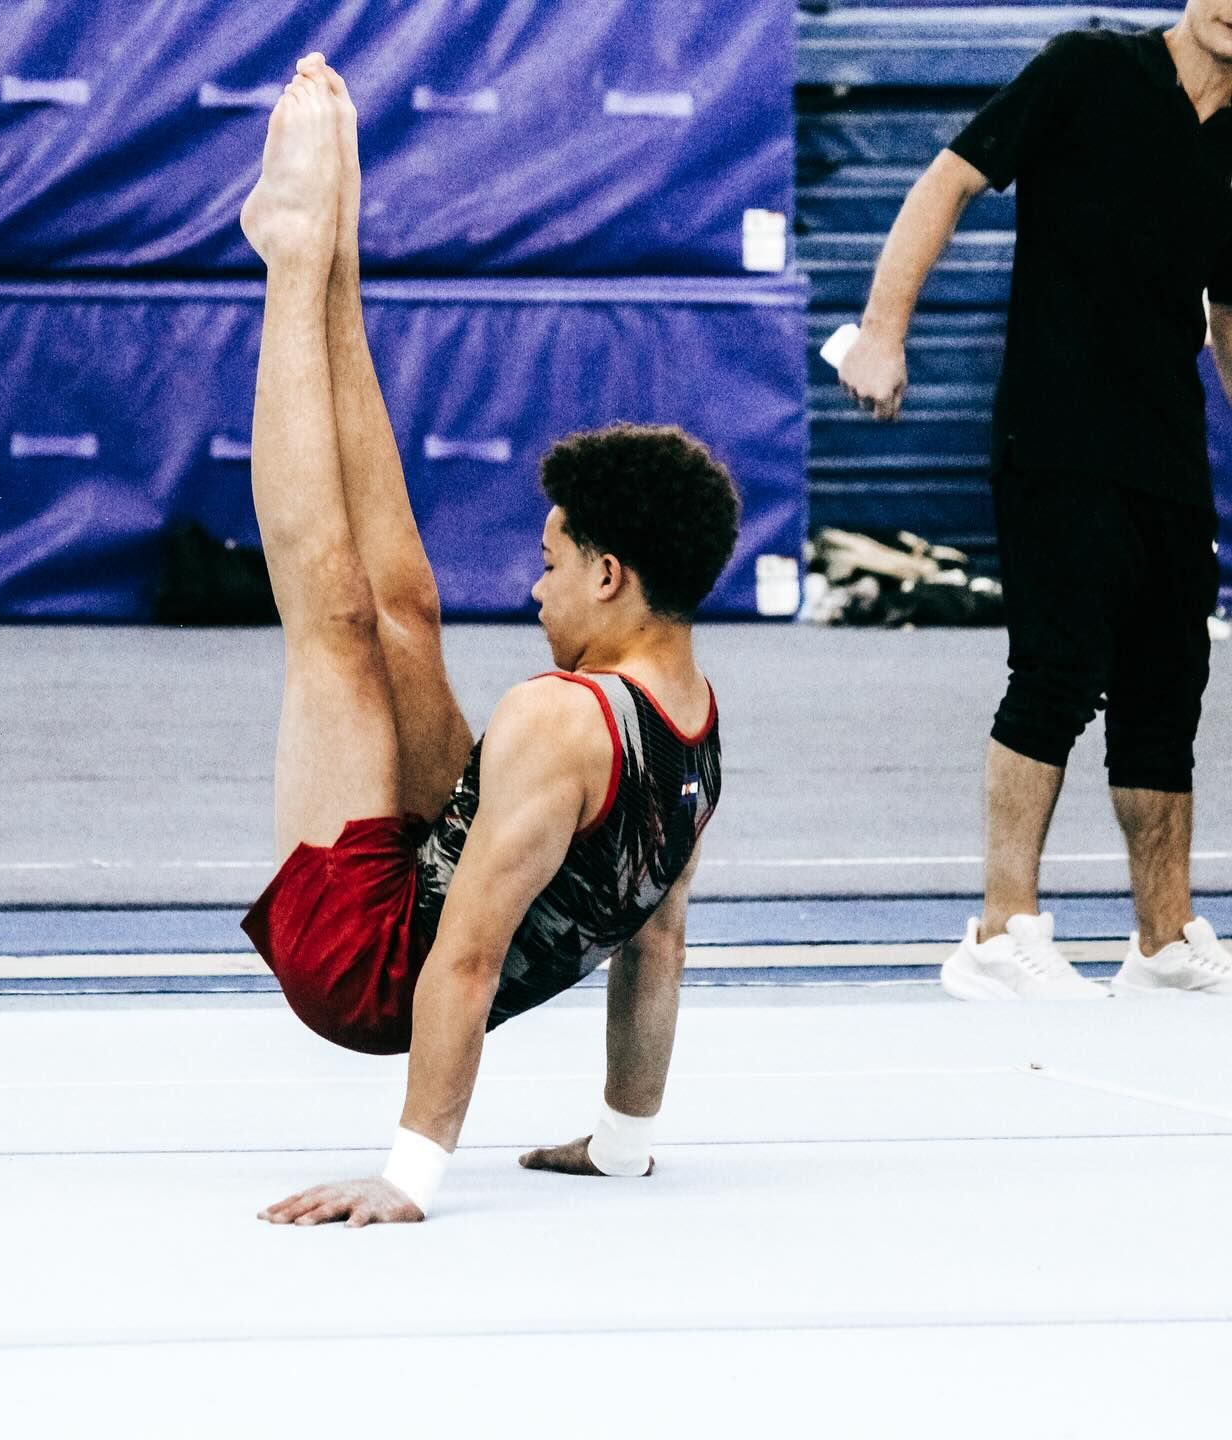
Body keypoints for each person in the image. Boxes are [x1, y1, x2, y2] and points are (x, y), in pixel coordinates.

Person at [238, 55, 739, 1225]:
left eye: (555, 562)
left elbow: (460, 966)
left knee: (335, 623)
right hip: (424, 888)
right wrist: (624, 1141)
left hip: (366, 969)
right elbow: (655, 948)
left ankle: (289, 267)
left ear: (611, 576)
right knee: (408, 607)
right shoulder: (697, 729)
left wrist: (408, 1176)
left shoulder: (556, 716)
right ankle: (334, 251)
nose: (536, 582)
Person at [839, 4, 1232, 999]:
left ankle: (1162, 941)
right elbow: (950, 178)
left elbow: (1228, 306)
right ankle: (1000, 935)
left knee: (1166, 687)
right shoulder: (1087, 67)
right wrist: (883, 333)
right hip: (1055, 433)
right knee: (1057, 674)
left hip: (1169, 449)